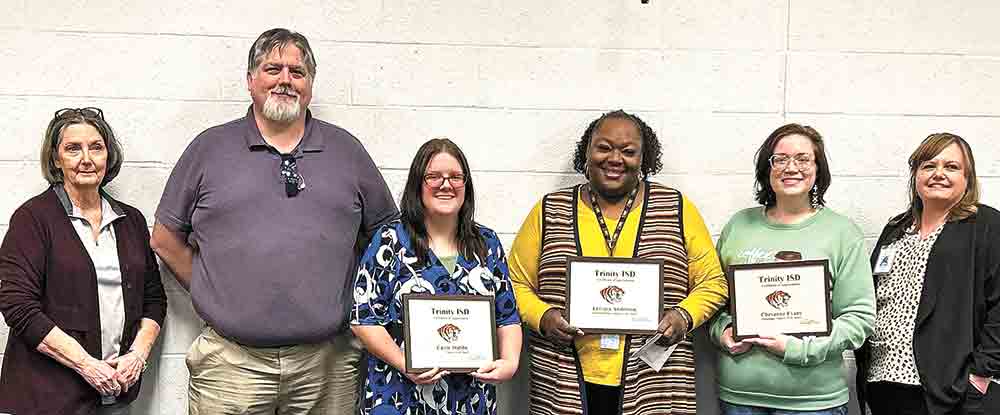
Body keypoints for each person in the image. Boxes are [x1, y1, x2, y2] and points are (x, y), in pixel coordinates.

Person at [149, 28, 398, 414]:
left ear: (310, 85)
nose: (285, 80)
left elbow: (387, 240)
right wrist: (210, 289)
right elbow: (164, 238)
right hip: (230, 365)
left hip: (327, 364)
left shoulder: (347, 151)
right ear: (251, 80)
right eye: (273, 69)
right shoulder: (209, 149)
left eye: (297, 72)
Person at [509, 110, 729, 415]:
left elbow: (713, 282)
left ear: (644, 158)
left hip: (655, 379)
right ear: (586, 152)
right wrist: (542, 316)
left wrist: (684, 316)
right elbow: (513, 283)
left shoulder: (677, 208)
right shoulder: (550, 210)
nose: (615, 158)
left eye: (628, 151)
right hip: (564, 377)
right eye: (603, 147)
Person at [0, 107, 167, 415]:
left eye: (96, 147)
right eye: (73, 148)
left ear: (108, 155)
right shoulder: (33, 219)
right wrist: (87, 365)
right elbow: (18, 306)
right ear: (55, 159)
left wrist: (137, 356)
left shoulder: (130, 220)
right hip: (47, 397)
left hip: (115, 393)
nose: (86, 159)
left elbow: (154, 299)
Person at [709, 123, 875, 414]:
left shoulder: (842, 232)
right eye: (780, 159)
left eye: (803, 159)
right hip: (740, 398)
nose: (791, 167)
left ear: (818, 169)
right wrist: (722, 332)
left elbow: (859, 319)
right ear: (767, 168)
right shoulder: (738, 226)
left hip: (814, 403)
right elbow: (714, 301)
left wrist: (798, 349)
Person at [351, 138, 522, 415]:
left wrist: (511, 361)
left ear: (466, 185)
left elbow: (508, 317)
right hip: (399, 394)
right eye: (433, 176)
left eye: (455, 177)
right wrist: (405, 362)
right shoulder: (390, 241)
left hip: (470, 399)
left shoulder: (487, 244)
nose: (446, 184)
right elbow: (363, 318)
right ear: (418, 184)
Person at [856, 133, 1000, 414]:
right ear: (915, 175)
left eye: (951, 167)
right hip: (883, 382)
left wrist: (980, 374)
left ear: (968, 177)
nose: (939, 174)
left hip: (949, 393)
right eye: (929, 166)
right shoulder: (895, 229)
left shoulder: (985, 225)